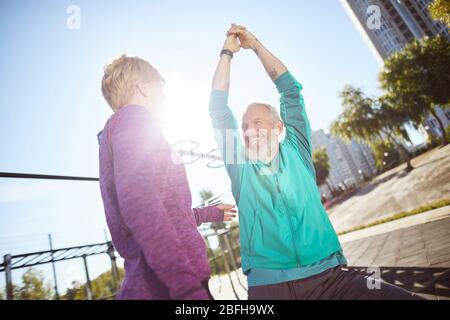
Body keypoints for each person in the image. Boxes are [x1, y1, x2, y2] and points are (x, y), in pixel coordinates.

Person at [209, 24, 423, 300]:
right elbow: (218, 109)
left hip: (330, 279)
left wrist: (256, 46)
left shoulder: (297, 149)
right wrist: (227, 52)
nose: (249, 130)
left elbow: (290, 91)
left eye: (258, 122)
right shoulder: (240, 167)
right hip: (269, 289)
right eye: (245, 125)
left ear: (279, 126)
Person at [99, 54, 236, 300]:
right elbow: (141, 207)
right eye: (160, 89)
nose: (164, 98)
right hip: (172, 287)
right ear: (143, 87)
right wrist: (186, 287)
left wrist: (208, 214)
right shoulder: (134, 120)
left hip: (164, 283)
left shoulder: (119, 131)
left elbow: (167, 212)